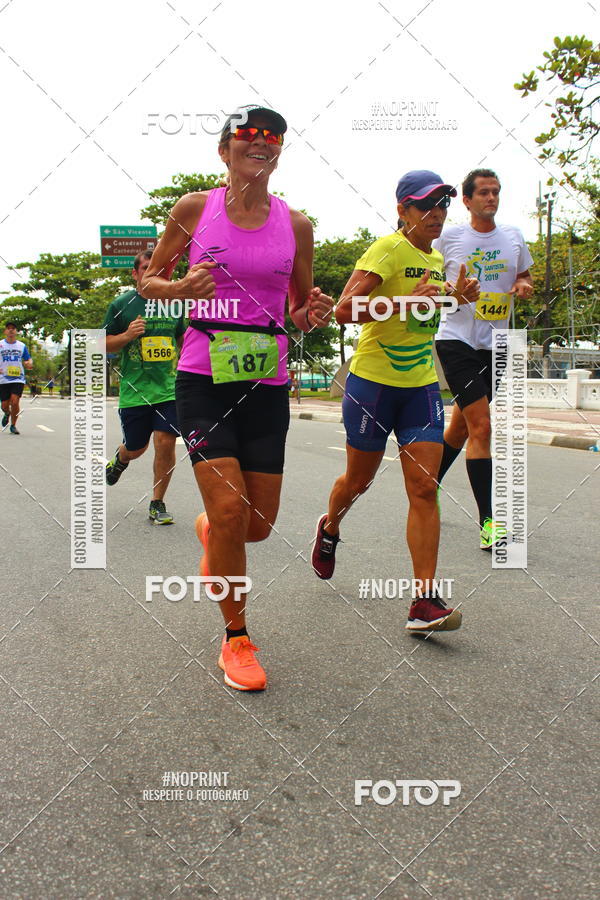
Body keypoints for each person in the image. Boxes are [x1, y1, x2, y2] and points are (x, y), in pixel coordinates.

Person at [140, 104, 334, 690]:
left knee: (254, 526)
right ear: (224, 151)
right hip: (202, 378)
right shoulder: (194, 210)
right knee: (230, 511)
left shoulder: (296, 225)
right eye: (247, 136)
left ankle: (212, 532)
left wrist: (313, 314)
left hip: (265, 385)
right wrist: (178, 287)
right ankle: (236, 638)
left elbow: (298, 310)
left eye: (272, 137)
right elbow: (149, 282)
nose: (261, 143)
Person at [311, 170, 479, 633]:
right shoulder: (386, 248)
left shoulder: (436, 258)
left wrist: (455, 299)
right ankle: (330, 527)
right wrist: (407, 303)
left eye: (443, 205)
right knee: (358, 482)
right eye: (425, 206)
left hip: (421, 386)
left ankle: (424, 601)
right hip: (372, 386)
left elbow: (424, 307)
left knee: (425, 488)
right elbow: (345, 310)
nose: (436, 214)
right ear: (402, 209)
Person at [434, 169, 533, 549]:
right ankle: (489, 524)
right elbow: (428, 275)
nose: (492, 198)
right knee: (483, 426)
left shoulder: (513, 237)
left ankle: (428, 483)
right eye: (484, 193)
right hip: (456, 339)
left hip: (498, 343)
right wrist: (448, 288)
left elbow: (523, 275)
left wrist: (522, 286)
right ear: (467, 200)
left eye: (496, 192)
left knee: (462, 428)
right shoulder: (450, 237)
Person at [103, 249, 185, 524]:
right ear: (136, 273)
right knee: (137, 448)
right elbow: (101, 344)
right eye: (148, 268)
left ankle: (157, 502)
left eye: (160, 269)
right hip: (135, 390)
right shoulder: (122, 305)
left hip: (168, 389)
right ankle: (121, 457)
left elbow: (184, 341)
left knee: (165, 442)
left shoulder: (175, 305)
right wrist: (127, 335)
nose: (155, 273)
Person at [1, 322, 33, 434]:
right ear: (5, 331)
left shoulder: (21, 346)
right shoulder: (0, 345)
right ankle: (7, 413)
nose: (10, 330)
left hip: (18, 378)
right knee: (4, 405)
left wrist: (29, 363)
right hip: (3, 379)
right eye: (8, 329)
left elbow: (28, 359)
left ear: (16, 332)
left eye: (13, 329)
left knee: (15, 402)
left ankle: (13, 425)